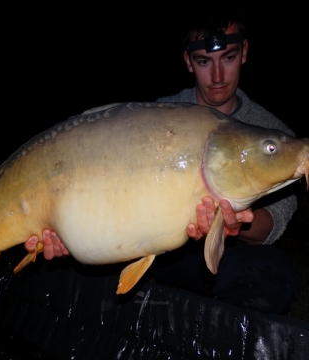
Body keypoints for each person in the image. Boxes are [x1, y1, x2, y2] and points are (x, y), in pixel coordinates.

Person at [22, 5, 298, 314]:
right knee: (73, 268)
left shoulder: (270, 132)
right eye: (204, 61)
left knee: (273, 276)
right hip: (139, 244)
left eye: (228, 58)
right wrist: (66, 233)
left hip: (208, 258)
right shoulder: (156, 116)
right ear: (188, 62)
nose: (218, 76)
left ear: (244, 52)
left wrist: (239, 223)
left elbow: (273, 223)